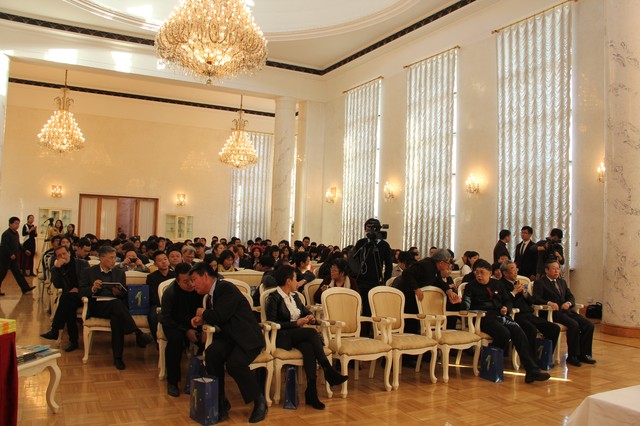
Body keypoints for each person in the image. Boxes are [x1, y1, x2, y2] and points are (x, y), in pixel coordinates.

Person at [189, 262, 267, 423]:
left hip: (247, 338)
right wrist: (203, 319)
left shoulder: (225, 288)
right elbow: (220, 317)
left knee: (234, 364)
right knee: (212, 353)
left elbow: (220, 315)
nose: (192, 284)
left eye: (194, 279)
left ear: (205, 276)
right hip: (230, 337)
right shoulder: (211, 295)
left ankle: (259, 401)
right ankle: (221, 401)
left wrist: (204, 313)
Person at [266, 265, 348, 410]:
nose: (297, 282)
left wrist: (311, 318)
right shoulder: (274, 298)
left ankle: (311, 392)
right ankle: (328, 370)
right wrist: (296, 323)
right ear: (288, 281)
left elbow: (304, 312)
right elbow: (272, 323)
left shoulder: (295, 297)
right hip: (282, 336)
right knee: (311, 333)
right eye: (295, 279)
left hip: (297, 335)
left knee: (309, 348)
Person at [463, 259, 550, 383]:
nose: (479, 275)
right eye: (477, 272)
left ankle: (532, 370)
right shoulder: (470, 286)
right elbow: (465, 306)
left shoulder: (497, 284)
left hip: (500, 315)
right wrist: (462, 304)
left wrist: (506, 308)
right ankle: (489, 360)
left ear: (490, 273)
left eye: (482, 272)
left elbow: (507, 300)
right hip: (483, 318)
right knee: (504, 333)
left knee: (518, 331)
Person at [80, 245, 153, 370]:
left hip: (116, 307)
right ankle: (137, 332)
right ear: (102, 258)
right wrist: (93, 288)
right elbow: (81, 292)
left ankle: (118, 358)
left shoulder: (119, 273)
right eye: (111, 258)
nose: (114, 261)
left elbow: (123, 295)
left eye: (114, 258)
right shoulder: (89, 271)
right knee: (117, 304)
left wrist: (118, 293)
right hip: (98, 305)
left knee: (117, 319)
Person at [534, 261, 595, 367]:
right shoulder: (540, 282)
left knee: (589, 325)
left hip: (566, 311)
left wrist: (569, 303)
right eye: (553, 269)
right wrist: (549, 303)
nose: (556, 271)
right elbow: (536, 298)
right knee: (574, 325)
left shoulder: (562, 282)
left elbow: (570, 296)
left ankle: (584, 354)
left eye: (558, 269)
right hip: (552, 312)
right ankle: (572, 356)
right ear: (546, 270)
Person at [160, 263, 203, 397]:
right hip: (174, 324)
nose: (190, 284)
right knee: (175, 341)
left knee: (207, 338)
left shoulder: (199, 289)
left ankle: (199, 377)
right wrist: (186, 330)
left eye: (192, 280)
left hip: (195, 322)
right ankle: (172, 382)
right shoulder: (170, 293)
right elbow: (166, 318)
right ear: (177, 281)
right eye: (185, 282)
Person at [500, 260, 560, 355]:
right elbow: (504, 302)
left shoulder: (518, 283)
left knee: (554, 328)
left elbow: (532, 301)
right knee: (531, 329)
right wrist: (514, 292)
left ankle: (544, 356)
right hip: (516, 316)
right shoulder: (500, 284)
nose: (516, 272)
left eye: (516, 269)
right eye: (512, 269)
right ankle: (531, 358)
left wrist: (525, 293)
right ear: (505, 273)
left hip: (528, 314)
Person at [394, 249, 461, 334]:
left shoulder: (435, 268)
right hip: (408, 294)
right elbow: (407, 273)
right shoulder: (425, 265)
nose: (448, 265)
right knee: (411, 324)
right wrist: (416, 288)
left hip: (417, 298)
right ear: (441, 262)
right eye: (448, 262)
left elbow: (438, 281)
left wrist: (448, 290)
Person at [40, 245, 89, 351]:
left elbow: (88, 282)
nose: (63, 256)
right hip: (70, 298)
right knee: (69, 308)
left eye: (64, 253)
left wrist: (78, 289)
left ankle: (55, 330)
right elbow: (57, 285)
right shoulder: (57, 268)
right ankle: (73, 341)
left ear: (69, 253)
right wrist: (57, 268)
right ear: (57, 258)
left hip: (83, 295)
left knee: (65, 298)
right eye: (59, 255)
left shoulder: (82, 263)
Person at [348, 218, 393, 334]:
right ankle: (354, 330)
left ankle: (367, 332)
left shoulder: (384, 245)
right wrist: (354, 275)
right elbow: (353, 260)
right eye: (367, 228)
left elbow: (388, 265)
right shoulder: (362, 243)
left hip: (375, 281)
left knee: (369, 309)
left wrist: (385, 281)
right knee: (356, 306)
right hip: (360, 279)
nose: (369, 231)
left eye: (372, 228)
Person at [0, 217, 35, 295]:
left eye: (18, 223)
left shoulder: (16, 233)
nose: (17, 225)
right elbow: (4, 246)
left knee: (18, 274)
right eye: (16, 223)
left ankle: (25, 288)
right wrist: (10, 254)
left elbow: (18, 244)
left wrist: (25, 250)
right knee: (1, 274)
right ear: (10, 224)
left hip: (14, 258)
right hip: (6, 258)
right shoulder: (6, 234)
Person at [146, 251, 175, 341]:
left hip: (174, 303)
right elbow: (153, 295)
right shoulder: (151, 277)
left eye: (165, 259)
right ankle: (158, 341)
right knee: (153, 317)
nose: (163, 262)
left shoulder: (175, 275)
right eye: (160, 260)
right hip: (157, 304)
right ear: (155, 264)